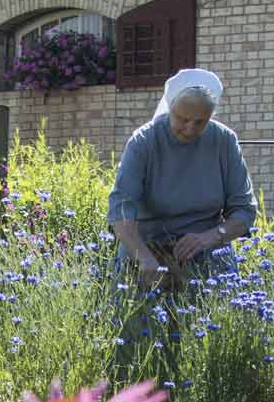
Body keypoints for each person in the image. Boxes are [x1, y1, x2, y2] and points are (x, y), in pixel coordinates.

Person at [107, 67, 257, 291]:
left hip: (207, 251)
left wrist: (211, 237)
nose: (190, 129)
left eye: (200, 122)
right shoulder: (144, 142)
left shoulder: (224, 141)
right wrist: (144, 259)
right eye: (183, 119)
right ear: (170, 108)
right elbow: (121, 209)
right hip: (146, 250)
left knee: (211, 321)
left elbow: (244, 211)